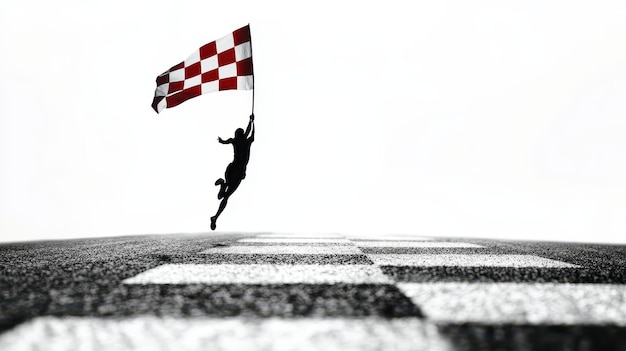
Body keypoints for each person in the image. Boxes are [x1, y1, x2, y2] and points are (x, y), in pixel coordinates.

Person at [211, 114, 255, 230]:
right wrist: (252, 122)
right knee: (226, 197)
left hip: (231, 169)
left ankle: (222, 184)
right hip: (239, 171)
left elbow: (228, 140)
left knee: (222, 196)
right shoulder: (246, 142)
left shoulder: (236, 141)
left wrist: (251, 122)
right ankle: (216, 215)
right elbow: (250, 133)